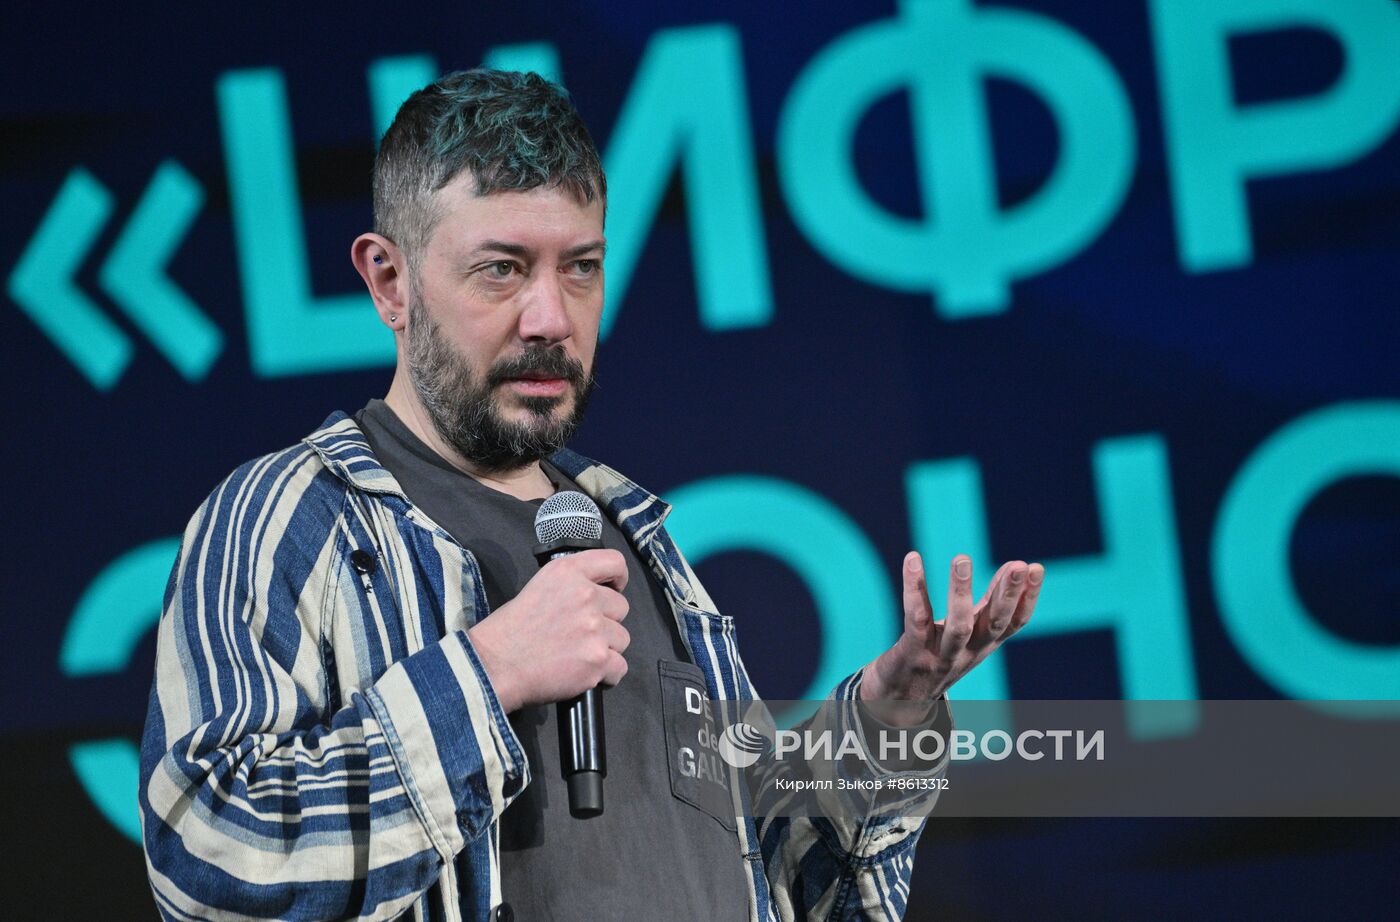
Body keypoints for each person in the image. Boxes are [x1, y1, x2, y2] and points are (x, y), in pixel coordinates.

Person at [139, 69, 1044, 921]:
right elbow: (208, 856)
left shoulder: (635, 540)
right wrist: (487, 674)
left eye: (580, 267)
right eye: (501, 268)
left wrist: (887, 718)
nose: (550, 319)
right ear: (389, 280)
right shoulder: (291, 516)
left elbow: (785, 883)